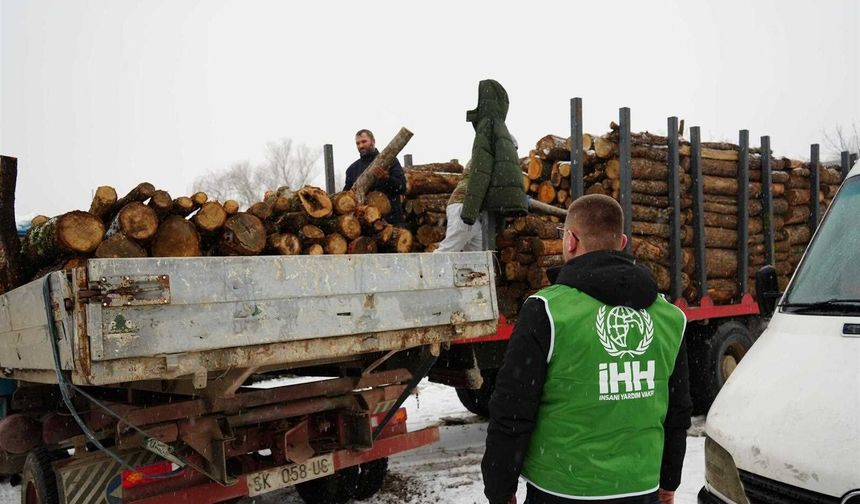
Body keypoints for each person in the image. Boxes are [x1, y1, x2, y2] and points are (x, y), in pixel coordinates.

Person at [482, 194, 692, 504]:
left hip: (562, 489)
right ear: (621, 242)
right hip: (639, 487)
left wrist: (500, 489)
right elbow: (677, 409)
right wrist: (669, 480)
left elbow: (513, 408)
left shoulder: (547, 311)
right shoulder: (670, 317)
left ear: (570, 240)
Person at [460, 79, 528, 226]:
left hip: (493, 200)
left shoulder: (486, 126)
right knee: (488, 246)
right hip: (506, 199)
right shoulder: (501, 128)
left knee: (483, 244)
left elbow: (480, 170)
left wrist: (469, 212)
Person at [343, 129, 407, 225]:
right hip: (366, 225)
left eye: (364, 141)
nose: (361, 146)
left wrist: (387, 178)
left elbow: (402, 187)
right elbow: (347, 197)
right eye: (358, 143)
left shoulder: (390, 161)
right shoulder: (352, 170)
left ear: (373, 141)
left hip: (392, 222)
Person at [433, 162, 483, 252]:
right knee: (449, 250)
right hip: (464, 206)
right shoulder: (484, 157)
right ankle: (429, 265)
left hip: (472, 208)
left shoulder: (483, 156)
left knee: (478, 255)